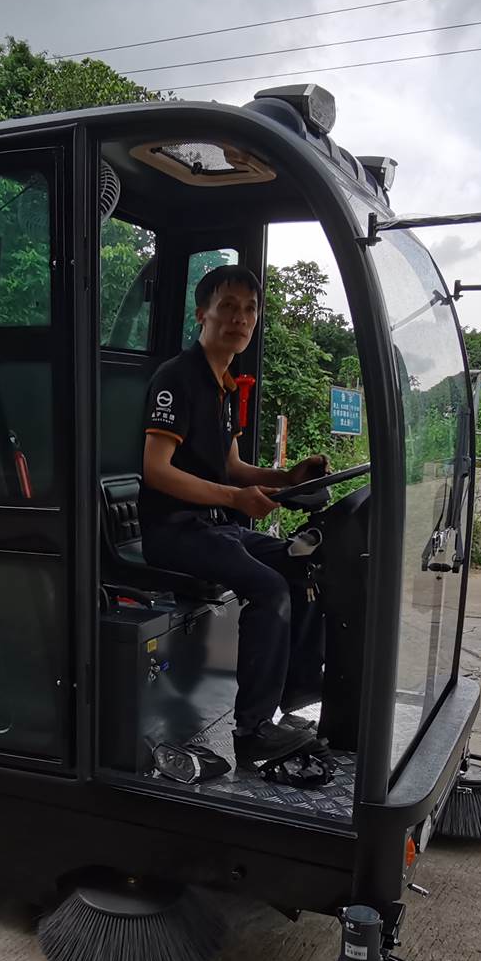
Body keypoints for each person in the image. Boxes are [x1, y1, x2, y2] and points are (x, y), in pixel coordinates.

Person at [140, 264, 329, 767]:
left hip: (214, 527)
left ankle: (294, 702)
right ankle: (251, 733)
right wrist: (232, 498)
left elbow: (231, 466)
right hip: (174, 530)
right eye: (227, 307)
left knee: (300, 564)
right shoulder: (176, 379)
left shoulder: (224, 386)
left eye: (249, 309)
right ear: (202, 313)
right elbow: (156, 471)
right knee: (268, 587)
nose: (239, 318)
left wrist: (288, 478)